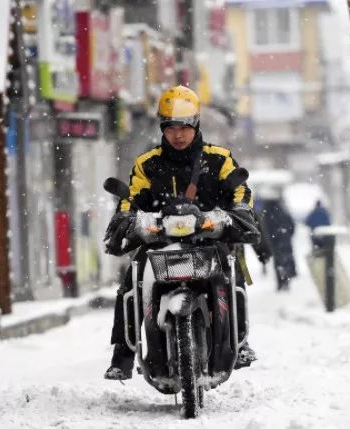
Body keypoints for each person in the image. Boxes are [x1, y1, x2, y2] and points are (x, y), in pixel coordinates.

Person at [103, 85, 259, 381]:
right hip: (160, 243)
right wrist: (126, 216)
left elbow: (240, 190)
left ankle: (240, 343)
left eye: (184, 127)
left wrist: (238, 211)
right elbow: (132, 199)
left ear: (196, 125)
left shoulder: (219, 159)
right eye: (171, 127)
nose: (178, 134)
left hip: (208, 240)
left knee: (232, 273)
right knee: (131, 279)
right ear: (162, 128)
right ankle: (122, 355)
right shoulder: (147, 163)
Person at [255, 190, 296, 291]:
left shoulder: (266, 211)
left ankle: (281, 282)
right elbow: (291, 225)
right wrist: (288, 234)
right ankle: (285, 280)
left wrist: (268, 238)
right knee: (285, 260)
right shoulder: (282, 210)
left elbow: (264, 227)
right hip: (283, 238)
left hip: (274, 240)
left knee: (278, 261)